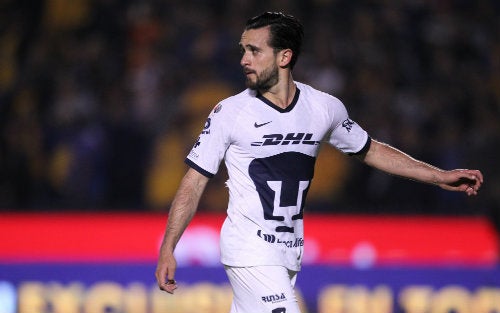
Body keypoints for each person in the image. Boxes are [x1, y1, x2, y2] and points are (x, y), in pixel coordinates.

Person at [155, 12, 483, 313]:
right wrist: (169, 248)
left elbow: (371, 150)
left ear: (285, 56)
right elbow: (193, 181)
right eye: (243, 50)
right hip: (248, 250)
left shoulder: (324, 108)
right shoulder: (229, 113)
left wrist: (439, 176)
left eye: (255, 51)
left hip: (289, 251)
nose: (244, 60)